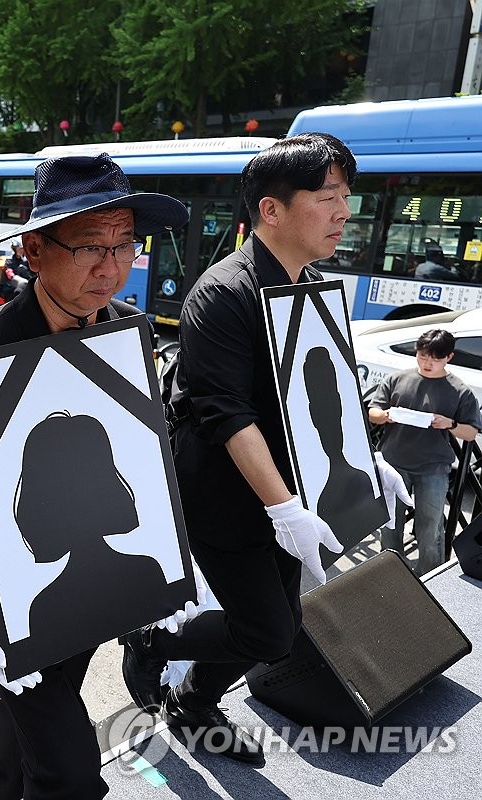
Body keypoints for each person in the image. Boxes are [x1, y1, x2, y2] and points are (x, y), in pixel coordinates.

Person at [120, 134, 410, 767]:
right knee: (270, 630)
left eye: (346, 197)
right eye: (327, 196)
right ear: (271, 210)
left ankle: (196, 702)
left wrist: (367, 460)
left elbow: (329, 390)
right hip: (227, 497)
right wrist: (284, 511)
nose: (344, 212)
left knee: (281, 624)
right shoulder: (222, 293)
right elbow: (227, 414)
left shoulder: (312, 285)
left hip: (293, 486)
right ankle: (153, 639)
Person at [0, 153, 188, 799]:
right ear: (34, 250)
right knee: (69, 771)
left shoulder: (127, 329)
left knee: (35, 722)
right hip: (9, 593)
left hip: (98, 580)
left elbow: (141, 450)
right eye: (91, 246)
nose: (111, 265)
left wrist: (176, 556)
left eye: (125, 245)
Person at [369, 328, 481, 575]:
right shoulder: (398, 379)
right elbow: (373, 412)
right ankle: (387, 573)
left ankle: (429, 578)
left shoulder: (459, 390)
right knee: (389, 524)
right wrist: (387, 415)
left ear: (449, 357)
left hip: (433, 468)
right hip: (392, 464)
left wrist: (449, 424)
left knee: (430, 528)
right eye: (422, 356)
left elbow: (471, 433)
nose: (428, 362)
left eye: (435, 358)